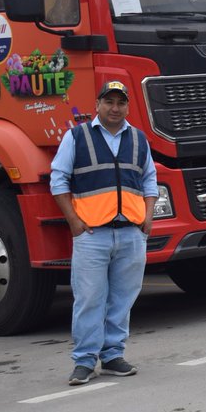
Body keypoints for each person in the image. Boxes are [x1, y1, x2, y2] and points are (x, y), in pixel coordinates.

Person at [51, 81, 158, 386]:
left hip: (130, 233)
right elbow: (58, 180)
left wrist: (148, 217)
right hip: (92, 234)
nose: (115, 108)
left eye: (120, 103)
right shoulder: (77, 136)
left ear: (127, 106)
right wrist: (73, 222)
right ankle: (84, 361)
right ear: (97, 104)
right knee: (89, 299)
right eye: (109, 101)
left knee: (123, 299)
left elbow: (149, 180)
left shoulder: (138, 139)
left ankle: (112, 355)